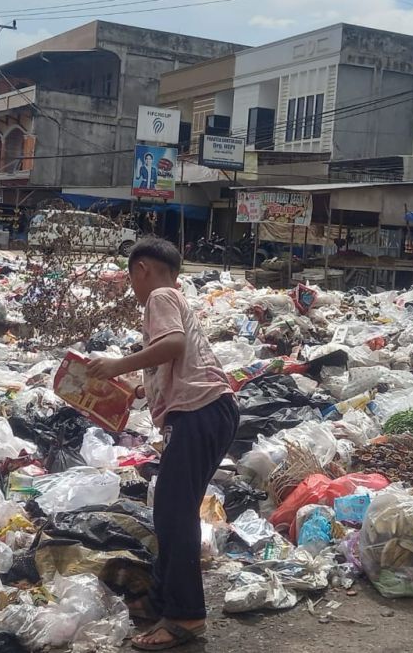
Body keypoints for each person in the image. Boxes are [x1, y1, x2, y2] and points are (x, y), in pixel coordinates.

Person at [84, 237, 238, 651]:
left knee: (173, 514)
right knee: (173, 510)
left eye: (132, 278)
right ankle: (161, 601)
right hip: (208, 412)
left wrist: (117, 364)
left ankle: (186, 617)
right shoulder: (174, 297)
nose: (133, 288)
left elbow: (173, 345)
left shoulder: (159, 297)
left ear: (141, 270)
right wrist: (137, 389)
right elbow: (170, 358)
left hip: (199, 411)